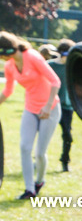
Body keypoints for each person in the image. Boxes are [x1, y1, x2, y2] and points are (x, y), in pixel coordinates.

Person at [0, 31, 61, 199]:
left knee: (40, 153)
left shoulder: (32, 57)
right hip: (30, 109)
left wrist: (48, 106)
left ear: (7, 50)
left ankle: (39, 181)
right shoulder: (10, 66)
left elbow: (55, 81)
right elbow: (8, 90)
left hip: (50, 108)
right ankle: (29, 189)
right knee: (24, 147)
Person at [50, 39, 75, 172]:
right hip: (50, 106)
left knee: (67, 136)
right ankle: (38, 159)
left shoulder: (73, 68)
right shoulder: (49, 66)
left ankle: (65, 161)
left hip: (66, 107)